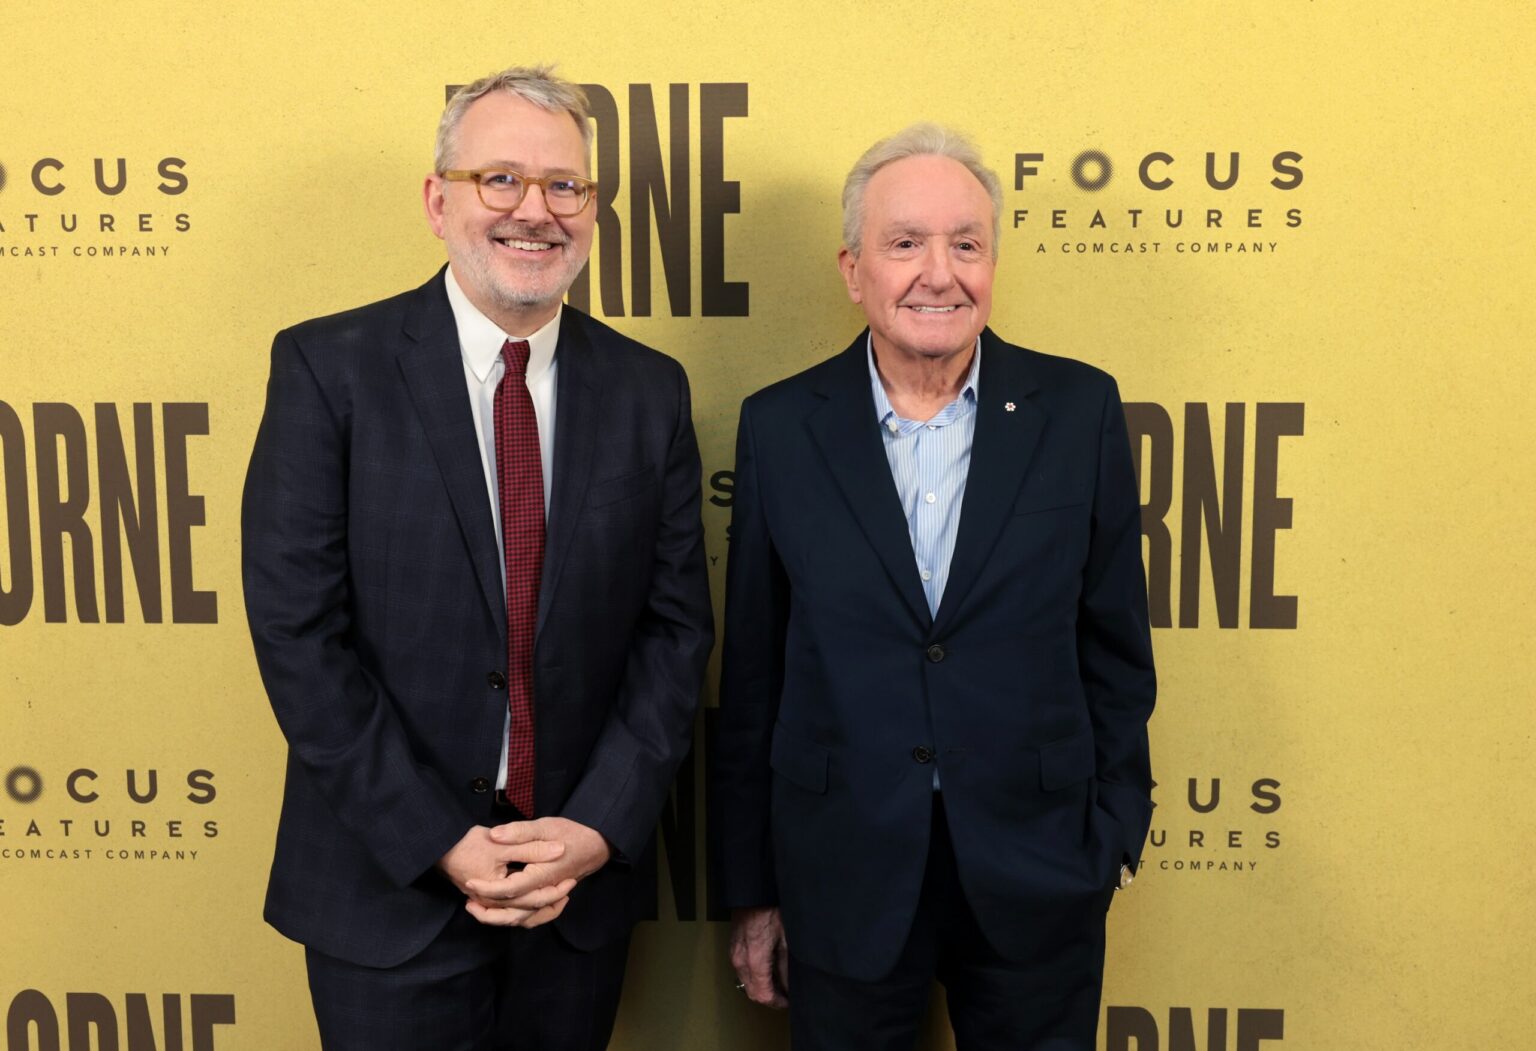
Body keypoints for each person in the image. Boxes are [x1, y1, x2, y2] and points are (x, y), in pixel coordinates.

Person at [242, 65, 713, 1051]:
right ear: (437, 200)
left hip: (569, 898)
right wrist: (438, 839)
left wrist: (596, 828)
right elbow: (299, 635)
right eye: (499, 179)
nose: (534, 211)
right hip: (388, 891)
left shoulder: (649, 393)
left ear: (591, 208)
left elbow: (674, 637)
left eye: (564, 186)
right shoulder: (330, 370)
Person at [713, 124, 1155, 1050]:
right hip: (842, 872)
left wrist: (1110, 829)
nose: (939, 273)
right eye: (905, 243)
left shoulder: (1078, 411)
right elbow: (753, 673)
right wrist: (753, 889)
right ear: (853, 268)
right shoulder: (783, 426)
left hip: (1038, 868)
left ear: (994, 261)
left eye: (967, 243)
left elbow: (1113, 644)